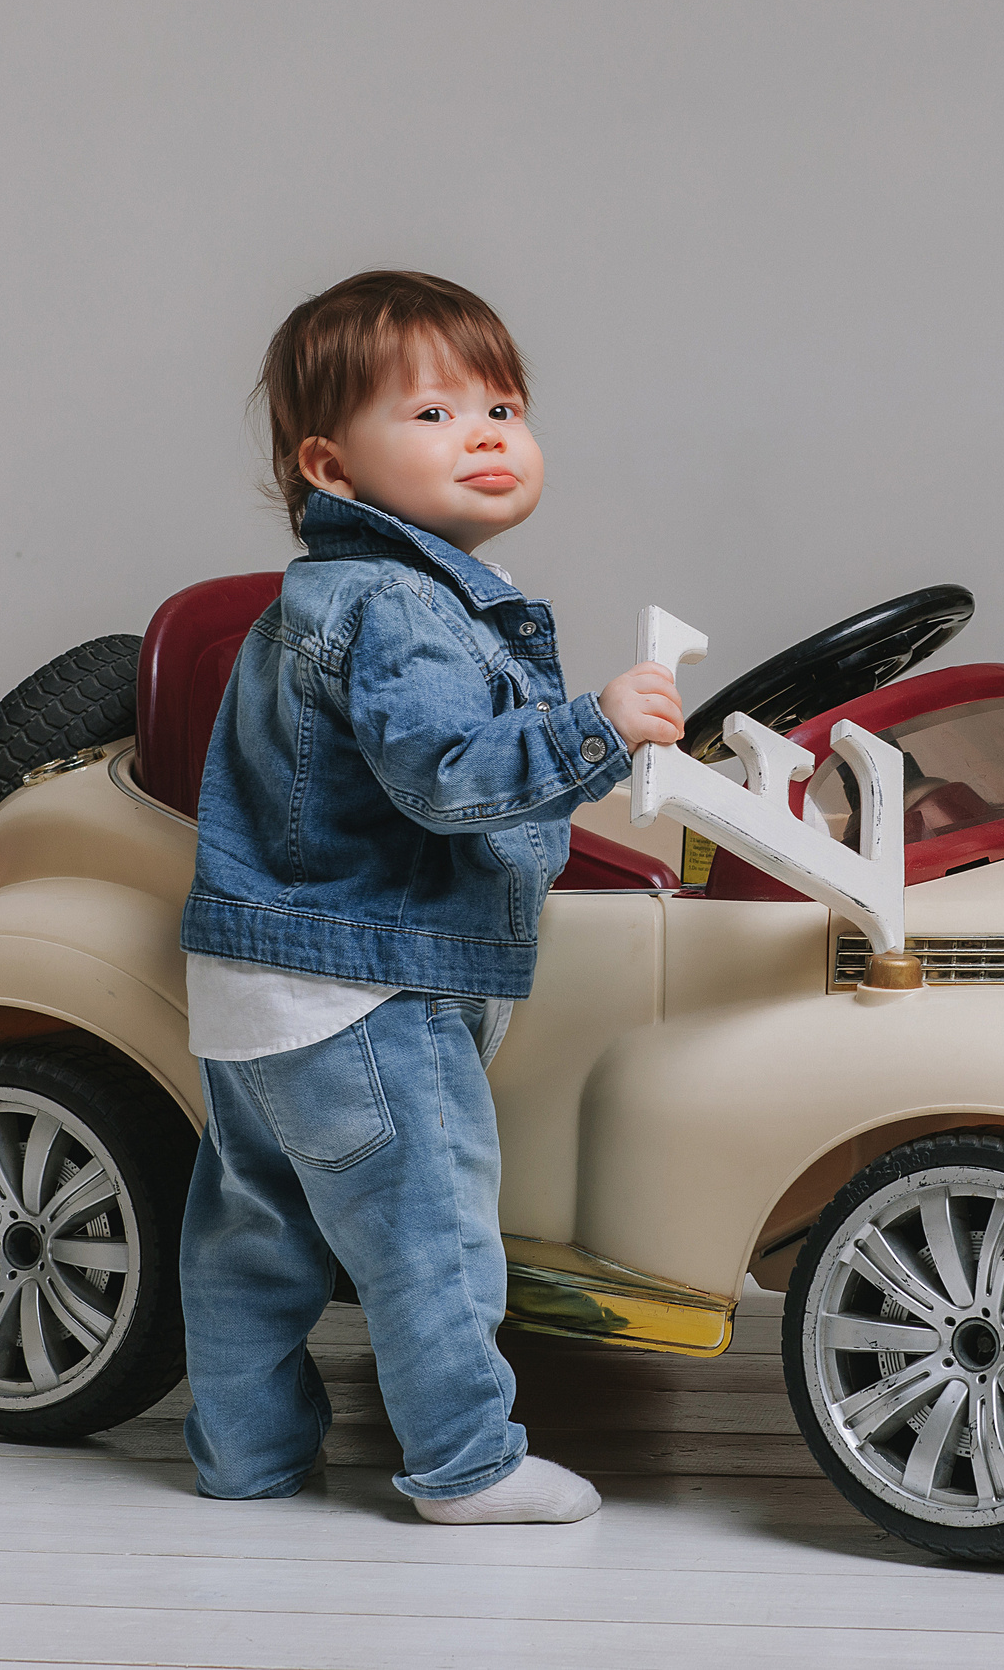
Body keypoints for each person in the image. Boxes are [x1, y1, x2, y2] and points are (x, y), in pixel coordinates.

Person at [177, 270, 683, 1524]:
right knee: (431, 1235)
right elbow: (447, 782)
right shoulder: (402, 607)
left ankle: (242, 1458)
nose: (488, 435)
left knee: (256, 1235)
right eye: (435, 414)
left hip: (258, 983)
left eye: (504, 406)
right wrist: (597, 732)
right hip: (371, 985)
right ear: (329, 468)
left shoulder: (321, 599)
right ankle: (464, 1464)